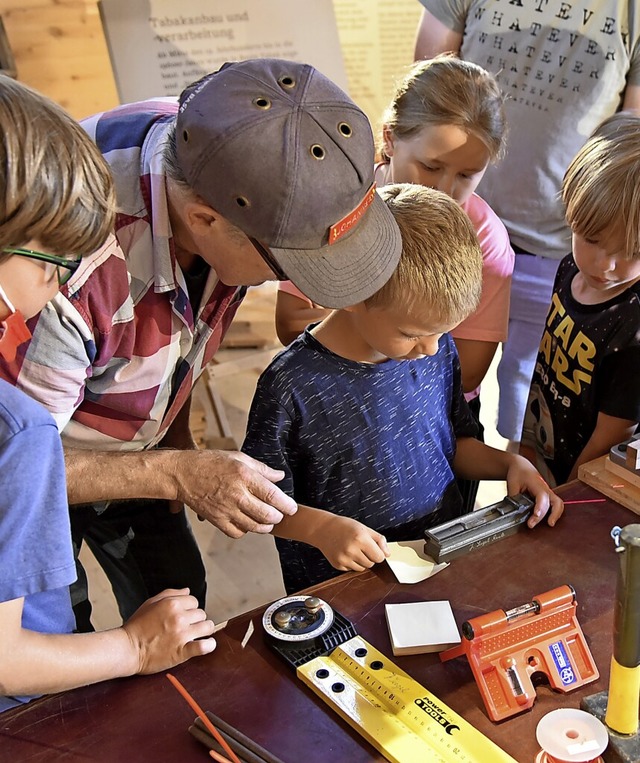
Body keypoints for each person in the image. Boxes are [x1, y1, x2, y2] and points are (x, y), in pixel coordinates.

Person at [0, 59, 403, 631]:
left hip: (137, 437)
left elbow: (184, 330)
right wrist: (175, 473)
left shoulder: (232, 154)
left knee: (180, 591)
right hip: (46, 460)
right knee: (58, 628)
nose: (293, 288)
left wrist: (179, 448)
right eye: (282, 265)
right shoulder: (70, 270)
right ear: (203, 219)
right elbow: (19, 463)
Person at [0, 76, 215, 713]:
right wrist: (135, 647)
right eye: (57, 260)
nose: (58, 282)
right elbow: (11, 658)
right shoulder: (22, 431)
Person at [243, 184, 563, 594]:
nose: (430, 348)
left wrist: (509, 465)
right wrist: (320, 529)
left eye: (441, 333)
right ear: (354, 293)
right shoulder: (291, 385)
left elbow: (452, 445)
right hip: (344, 587)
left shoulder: (434, 349)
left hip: (440, 560)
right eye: (412, 333)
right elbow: (258, 502)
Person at [276, 54, 514, 511]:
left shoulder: (484, 238)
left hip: (438, 417)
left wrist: (385, 322)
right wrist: (384, 317)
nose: (444, 188)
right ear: (389, 139)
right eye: (430, 166)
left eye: (467, 175)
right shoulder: (339, 206)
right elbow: (290, 323)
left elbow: (467, 369)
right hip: (339, 408)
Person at [414, 1, 640, 450]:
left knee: (529, 397)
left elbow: (629, 137)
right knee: (438, 380)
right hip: (462, 227)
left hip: (560, 242)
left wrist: (600, 237)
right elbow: (430, 87)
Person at [520, 113, 640, 487]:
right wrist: (526, 452)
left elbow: (612, 437)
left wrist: (567, 494)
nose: (605, 265)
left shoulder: (633, 328)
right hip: (543, 453)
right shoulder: (570, 266)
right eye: (591, 239)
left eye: (630, 252)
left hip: (579, 483)